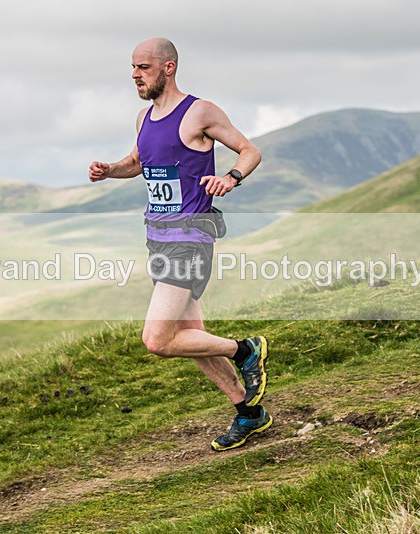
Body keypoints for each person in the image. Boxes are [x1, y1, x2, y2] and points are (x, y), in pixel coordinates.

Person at [88, 37, 270, 451]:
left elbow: (249, 150)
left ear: (168, 68)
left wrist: (231, 178)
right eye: (133, 68)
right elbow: (137, 164)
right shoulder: (144, 118)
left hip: (191, 237)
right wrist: (109, 169)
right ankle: (250, 414)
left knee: (157, 340)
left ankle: (247, 349)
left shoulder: (200, 112)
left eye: (144, 67)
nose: (135, 75)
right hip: (157, 239)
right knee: (191, 336)